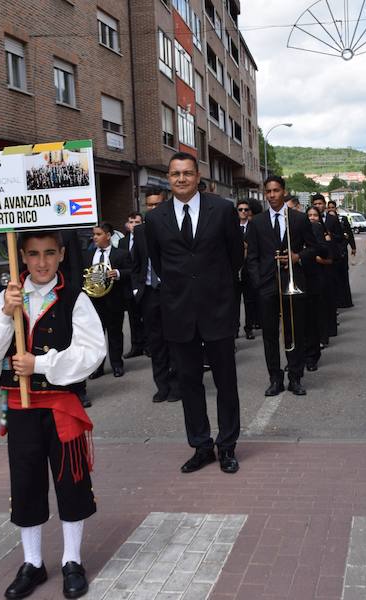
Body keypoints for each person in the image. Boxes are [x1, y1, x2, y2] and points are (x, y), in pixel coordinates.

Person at [0, 230, 105, 600]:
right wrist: (5, 314)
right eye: (33, 254)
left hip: (61, 406)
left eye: (50, 253)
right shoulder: (7, 297)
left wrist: (41, 363)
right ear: (21, 257)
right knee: (26, 482)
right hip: (20, 408)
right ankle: (32, 562)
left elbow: (93, 352)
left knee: (70, 481)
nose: (42, 262)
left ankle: (71, 560)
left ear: (62, 254)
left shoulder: (75, 298)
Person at [144, 152, 243, 474]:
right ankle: (201, 446)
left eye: (187, 173)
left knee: (225, 382)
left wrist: (219, 293)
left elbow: (234, 258)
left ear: (198, 176)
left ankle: (226, 446)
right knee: (189, 383)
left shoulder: (223, 210)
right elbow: (159, 264)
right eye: (175, 174)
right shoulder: (155, 218)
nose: (181, 179)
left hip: (218, 309)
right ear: (168, 178)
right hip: (178, 312)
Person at [246, 175, 318, 396]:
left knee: (294, 332)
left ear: (283, 191)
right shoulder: (256, 222)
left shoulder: (298, 219)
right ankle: (275, 379)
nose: (271, 195)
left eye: (276, 191)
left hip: (292, 283)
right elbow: (252, 258)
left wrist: (298, 257)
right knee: (269, 335)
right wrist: (258, 283)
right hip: (267, 285)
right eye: (268, 191)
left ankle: (295, 378)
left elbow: (314, 248)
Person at [132, 188, 180, 403]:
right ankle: (162, 386)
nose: (152, 209)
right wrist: (137, 289)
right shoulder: (140, 231)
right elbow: (136, 263)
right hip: (149, 294)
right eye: (149, 205)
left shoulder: (174, 226)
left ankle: (177, 385)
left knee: (176, 341)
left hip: (172, 293)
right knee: (156, 343)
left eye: (157, 205)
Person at [83, 223, 131, 379]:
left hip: (114, 299)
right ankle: (98, 367)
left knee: (115, 333)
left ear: (108, 235)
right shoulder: (88, 255)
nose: (94, 237)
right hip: (95, 301)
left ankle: (117, 364)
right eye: (94, 234)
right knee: (97, 336)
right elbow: (85, 277)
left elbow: (131, 271)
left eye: (98, 234)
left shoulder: (121, 254)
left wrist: (117, 272)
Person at [303, 205, 332, 371]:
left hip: (314, 277)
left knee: (312, 319)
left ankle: (312, 356)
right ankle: (297, 357)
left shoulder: (315, 227)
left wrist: (303, 254)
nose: (312, 217)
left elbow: (324, 250)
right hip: (295, 277)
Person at [312, 194, 340, 341]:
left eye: (315, 215)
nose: (312, 217)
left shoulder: (328, 227)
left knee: (326, 302)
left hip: (325, 270)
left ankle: (327, 331)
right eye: (309, 215)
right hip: (311, 274)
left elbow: (331, 255)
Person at [119, 212, 146, 359]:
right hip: (128, 285)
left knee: (146, 316)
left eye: (137, 222)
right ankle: (136, 345)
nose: (133, 225)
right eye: (131, 222)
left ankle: (148, 345)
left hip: (142, 284)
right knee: (133, 317)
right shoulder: (123, 242)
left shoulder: (146, 239)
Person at [236, 199, 259, 339]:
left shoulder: (254, 226)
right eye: (240, 209)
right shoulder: (231, 226)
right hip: (235, 269)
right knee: (234, 302)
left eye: (246, 209)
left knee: (250, 301)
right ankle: (234, 328)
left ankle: (248, 328)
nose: (243, 212)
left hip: (249, 269)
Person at [328, 199, 356, 308]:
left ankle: (345, 300)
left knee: (343, 275)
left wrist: (353, 247)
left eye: (332, 207)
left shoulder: (342, 219)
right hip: (332, 251)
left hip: (342, 250)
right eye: (329, 207)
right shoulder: (327, 220)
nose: (331, 209)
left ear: (336, 208)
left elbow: (348, 233)